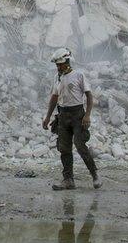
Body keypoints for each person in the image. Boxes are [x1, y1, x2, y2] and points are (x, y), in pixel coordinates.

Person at [42, 48, 102, 190]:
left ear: (67, 62)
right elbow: (54, 98)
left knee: (80, 145)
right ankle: (68, 180)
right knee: (64, 148)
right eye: (57, 65)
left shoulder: (79, 75)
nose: (58, 67)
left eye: (60, 64)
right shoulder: (58, 78)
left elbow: (89, 96)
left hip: (77, 115)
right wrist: (48, 117)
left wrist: (87, 115)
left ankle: (95, 175)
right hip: (63, 115)